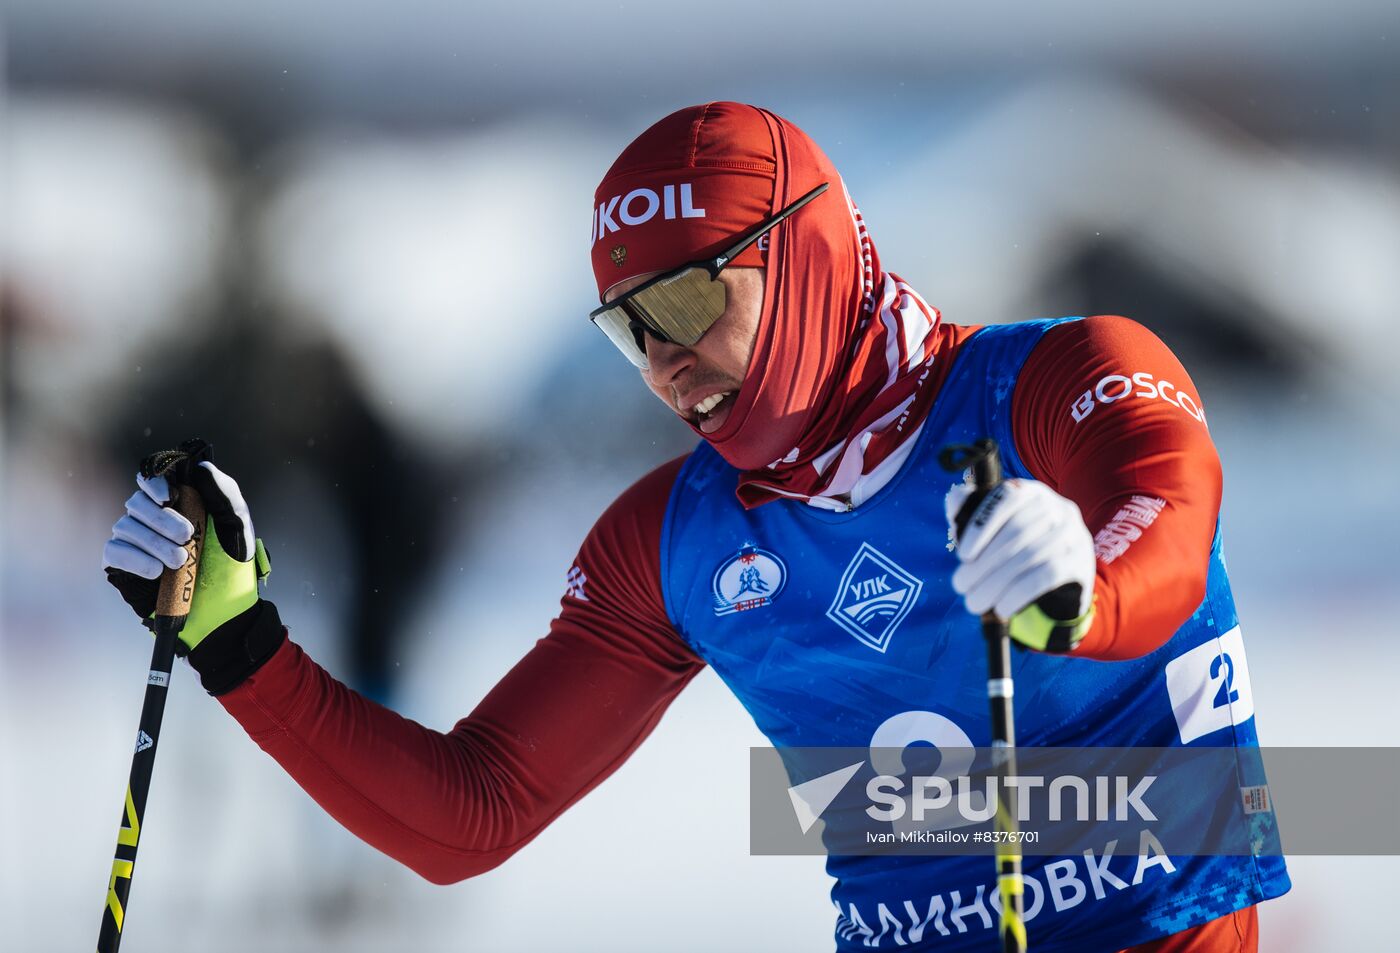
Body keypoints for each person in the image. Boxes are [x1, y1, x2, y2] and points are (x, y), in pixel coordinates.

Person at [102, 102, 1289, 952]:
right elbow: (470, 812)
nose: (664, 362)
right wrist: (239, 644)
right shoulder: (672, 543)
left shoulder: (1052, 381)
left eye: (685, 298)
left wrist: (1083, 585)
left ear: (807, 255)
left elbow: (1170, 524)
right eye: (628, 328)